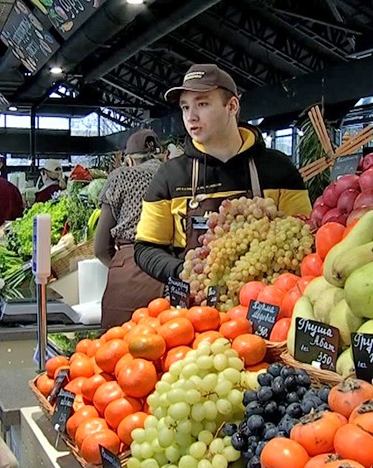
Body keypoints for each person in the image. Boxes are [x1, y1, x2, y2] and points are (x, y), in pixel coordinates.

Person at [134, 64, 312, 283]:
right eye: (185, 107)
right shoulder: (170, 176)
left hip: (267, 303)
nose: (191, 116)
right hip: (194, 309)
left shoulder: (279, 170)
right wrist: (185, 272)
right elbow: (146, 248)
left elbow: (302, 235)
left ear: (232, 106)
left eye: (202, 104)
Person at [95, 129, 165, 328]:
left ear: (130, 160)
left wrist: (121, 264)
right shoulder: (173, 174)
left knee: (118, 348)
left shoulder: (120, 177)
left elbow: (100, 249)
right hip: (167, 269)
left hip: (127, 270)